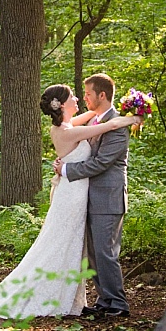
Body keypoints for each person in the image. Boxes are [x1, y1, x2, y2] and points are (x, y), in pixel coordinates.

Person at [0, 83, 140, 319]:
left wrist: (132, 109)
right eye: (74, 96)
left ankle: (111, 301)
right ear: (61, 105)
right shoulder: (67, 131)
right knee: (71, 246)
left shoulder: (71, 124)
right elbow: (111, 124)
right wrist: (134, 118)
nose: (80, 98)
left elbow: (99, 125)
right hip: (73, 195)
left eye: (86, 94)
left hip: (86, 194)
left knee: (93, 250)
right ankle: (94, 298)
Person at [53, 73, 136, 318]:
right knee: (94, 255)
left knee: (106, 253)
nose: (85, 97)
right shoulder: (94, 120)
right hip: (88, 197)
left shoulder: (118, 125)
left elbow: (101, 163)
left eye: (88, 93)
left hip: (108, 198)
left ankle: (118, 303)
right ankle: (104, 300)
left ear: (102, 95)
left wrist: (67, 170)